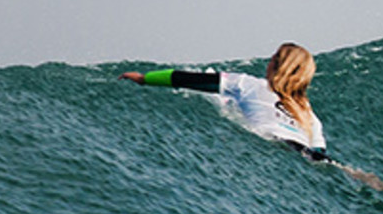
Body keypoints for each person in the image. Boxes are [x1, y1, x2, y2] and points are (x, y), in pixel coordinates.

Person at [119, 42, 328, 159]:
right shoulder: (308, 113)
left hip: (273, 143)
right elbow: (319, 152)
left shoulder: (247, 84)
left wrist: (144, 79)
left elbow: (188, 79)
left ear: (276, 64)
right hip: (302, 151)